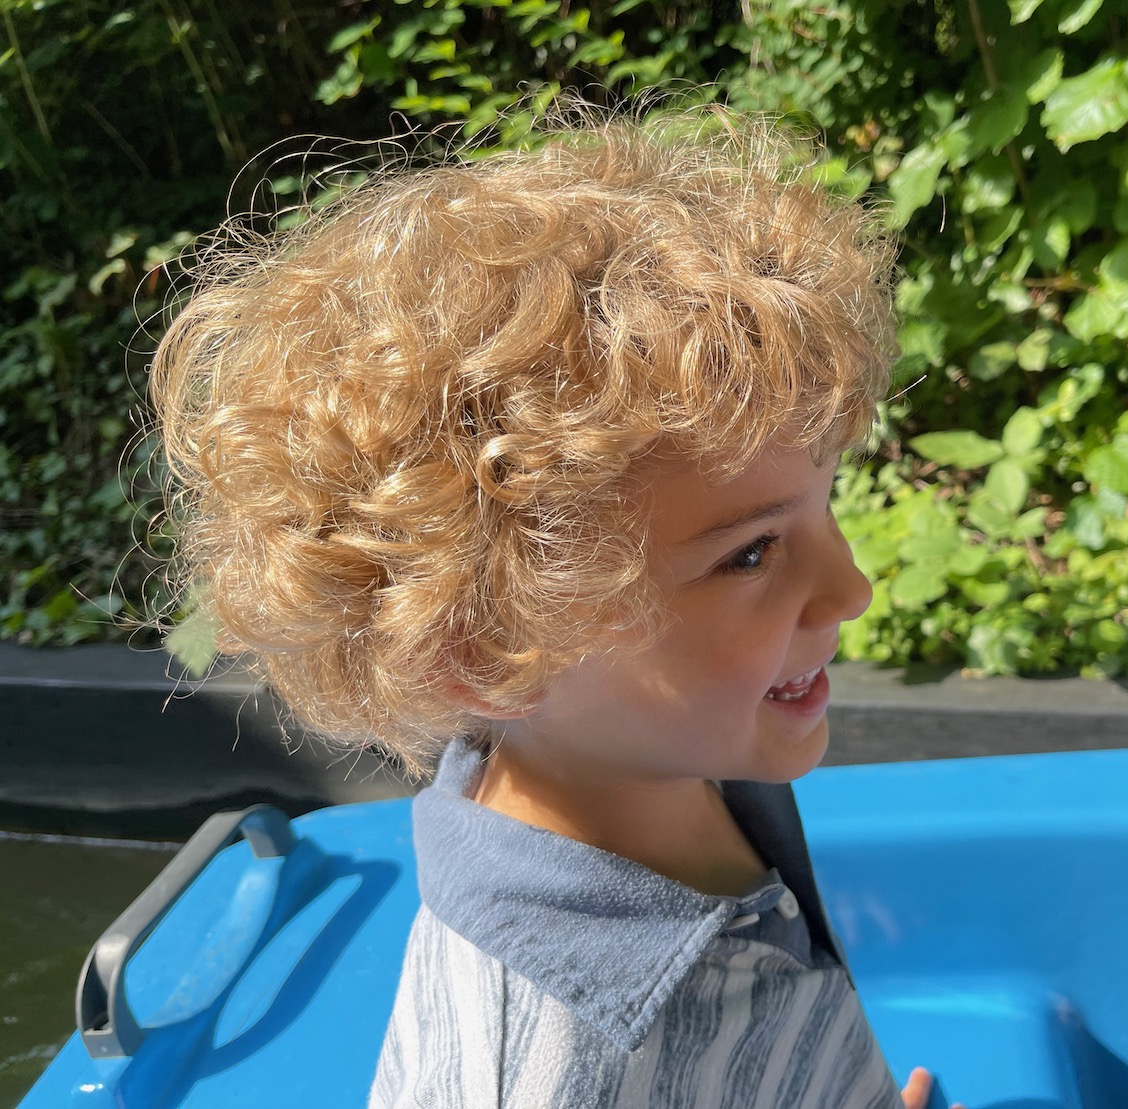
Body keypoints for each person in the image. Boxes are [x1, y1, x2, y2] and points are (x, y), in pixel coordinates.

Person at [151, 106, 958, 1109]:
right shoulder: (540, 1078)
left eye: (824, 498)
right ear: (485, 653)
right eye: (750, 553)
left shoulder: (662, 751)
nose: (850, 590)